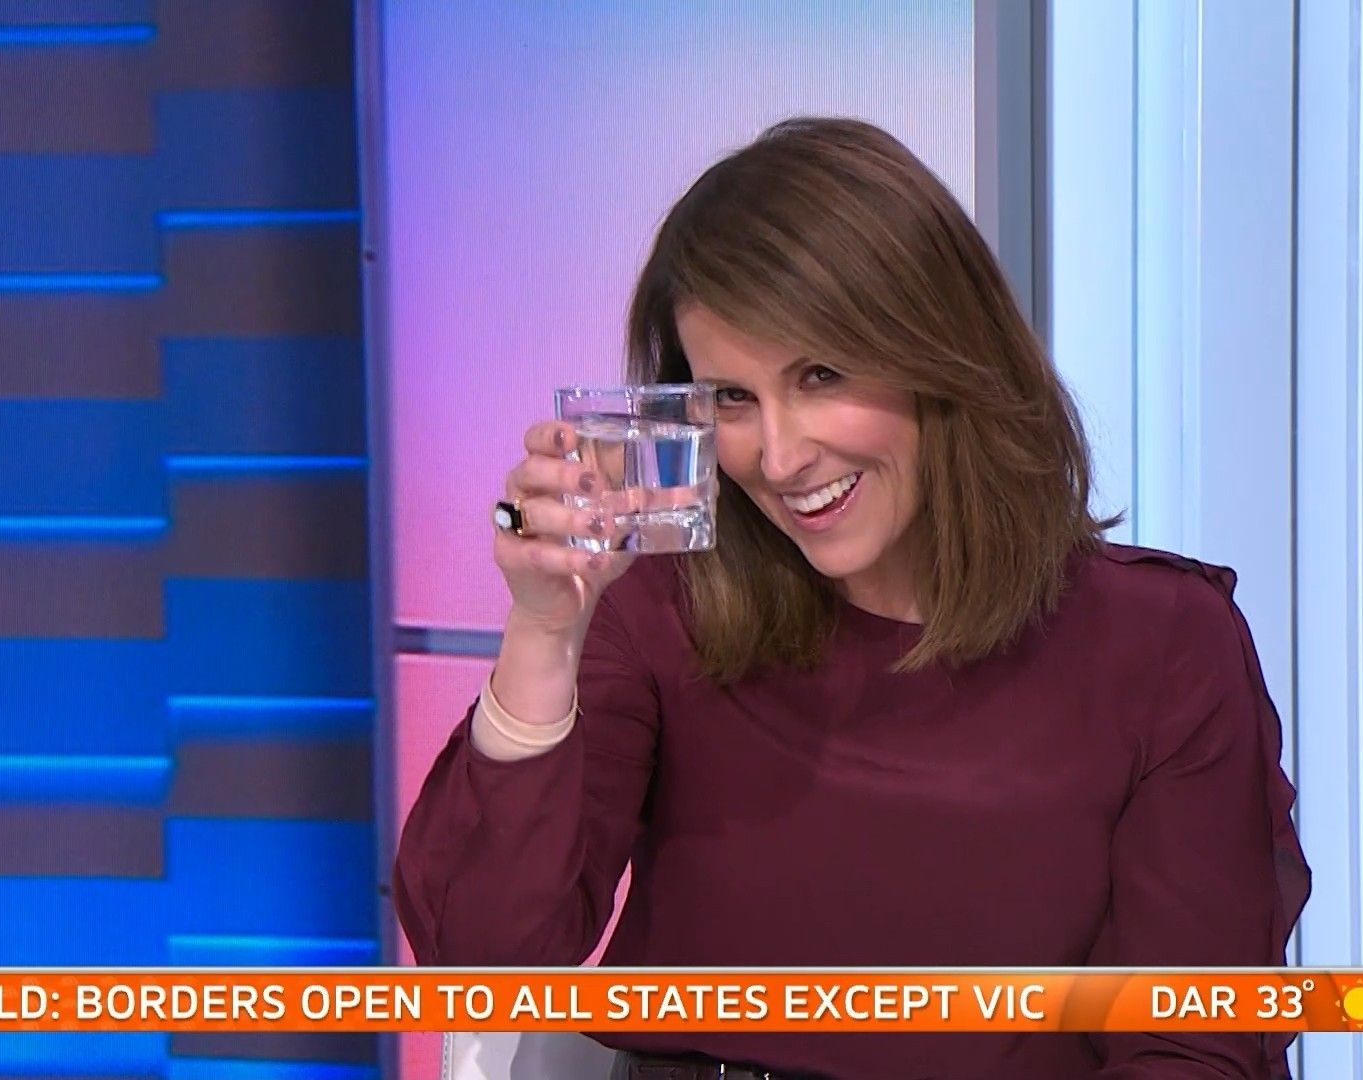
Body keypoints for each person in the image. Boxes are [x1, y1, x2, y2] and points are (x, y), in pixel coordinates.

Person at [394, 116, 1311, 1080]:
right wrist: (544, 630)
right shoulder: (666, 607)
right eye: (733, 398)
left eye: (821, 375)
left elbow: (1193, 1046)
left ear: (941, 351)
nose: (781, 456)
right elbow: (486, 964)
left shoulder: (1162, 642)